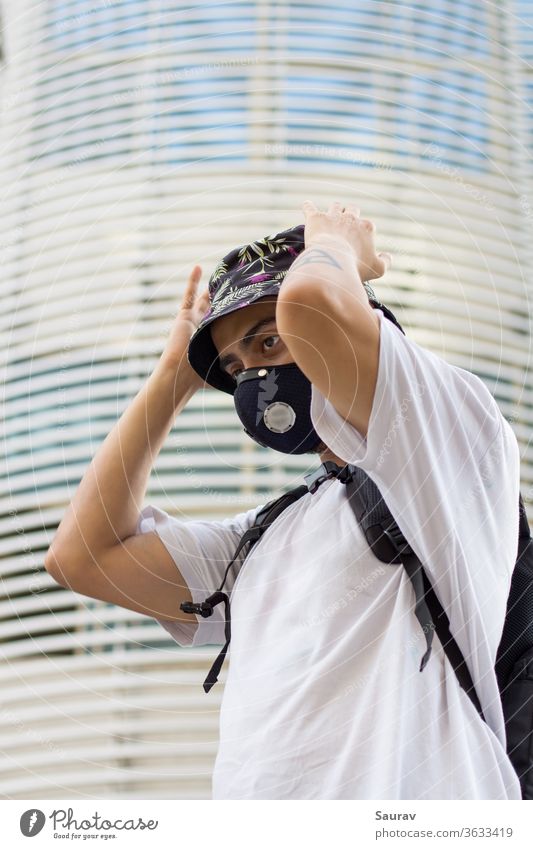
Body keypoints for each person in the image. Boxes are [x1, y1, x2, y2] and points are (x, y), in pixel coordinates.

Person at [45, 201, 522, 800]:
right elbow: (82, 557)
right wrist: (174, 374)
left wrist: (339, 243)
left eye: (270, 341)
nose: (253, 380)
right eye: (235, 366)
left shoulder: (448, 436)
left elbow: (313, 310)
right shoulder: (264, 536)